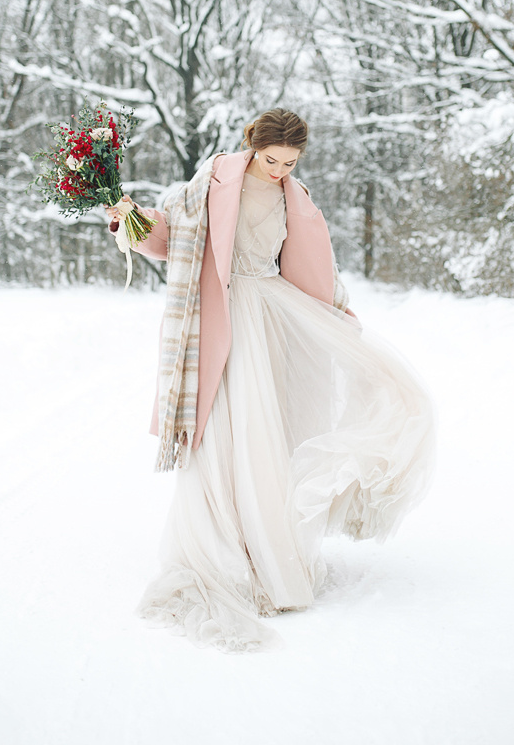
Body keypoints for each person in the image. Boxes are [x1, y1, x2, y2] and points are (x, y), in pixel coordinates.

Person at [105, 108, 437, 652]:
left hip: (271, 320)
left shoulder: (297, 198)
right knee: (217, 434)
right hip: (220, 316)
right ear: (251, 146)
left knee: (265, 435)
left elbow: (314, 265)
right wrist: (130, 219)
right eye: (272, 159)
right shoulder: (212, 182)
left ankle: (266, 548)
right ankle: (222, 547)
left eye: (290, 161)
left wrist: (337, 311)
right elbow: (171, 238)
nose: (281, 169)